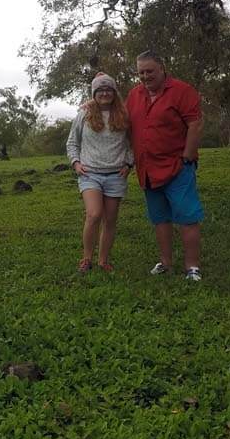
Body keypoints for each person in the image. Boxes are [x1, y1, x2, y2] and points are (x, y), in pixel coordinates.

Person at [126, 51, 205, 281]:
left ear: (162, 68)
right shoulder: (134, 95)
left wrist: (187, 157)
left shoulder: (182, 91)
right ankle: (165, 263)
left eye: (149, 71)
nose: (145, 76)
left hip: (177, 167)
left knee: (187, 216)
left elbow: (195, 124)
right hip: (147, 169)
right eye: (141, 72)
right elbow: (121, 119)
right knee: (159, 218)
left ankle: (192, 267)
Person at [66, 72, 134, 273]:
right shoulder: (84, 114)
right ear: (94, 93)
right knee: (94, 214)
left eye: (108, 89)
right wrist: (76, 163)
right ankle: (87, 258)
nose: (104, 93)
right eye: (100, 90)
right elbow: (72, 142)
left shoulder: (124, 115)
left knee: (110, 220)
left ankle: (103, 260)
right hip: (90, 174)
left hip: (115, 175)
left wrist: (129, 164)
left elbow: (133, 143)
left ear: (114, 92)